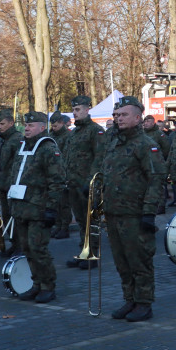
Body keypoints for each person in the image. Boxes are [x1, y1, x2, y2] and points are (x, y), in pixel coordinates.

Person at [102, 96, 167, 322]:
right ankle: (129, 299)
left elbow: (156, 178)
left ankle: (144, 303)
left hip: (135, 213)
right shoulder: (114, 142)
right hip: (114, 211)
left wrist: (149, 212)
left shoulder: (145, 144)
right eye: (117, 115)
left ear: (138, 118)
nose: (118, 118)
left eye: (124, 115)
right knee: (122, 261)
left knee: (139, 260)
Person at [7, 111, 66, 303]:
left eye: (31, 125)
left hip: (39, 209)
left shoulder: (48, 148)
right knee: (27, 249)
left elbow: (57, 181)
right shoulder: (23, 146)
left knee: (38, 248)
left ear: (42, 127)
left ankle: (48, 286)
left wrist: (51, 208)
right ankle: (36, 284)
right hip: (21, 208)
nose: (27, 128)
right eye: (26, 125)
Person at [65, 96, 107, 270]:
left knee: (91, 221)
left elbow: (100, 157)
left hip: (87, 185)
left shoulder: (95, 131)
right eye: (74, 110)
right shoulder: (74, 132)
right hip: (74, 183)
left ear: (87, 110)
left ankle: (92, 254)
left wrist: (91, 182)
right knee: (82, 221)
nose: (75, 113)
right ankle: (83, 252)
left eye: (78, 110)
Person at [0, 109, 22, 256]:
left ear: (11, 123)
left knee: (15, 216)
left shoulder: (18, 139)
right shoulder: (2, 140)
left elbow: (20, 164)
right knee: (6, 216)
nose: (0, 126)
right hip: (3, 185)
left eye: (3, 123)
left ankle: (20, 245)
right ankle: (14, 243)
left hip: (14, 186)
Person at [48, 111, 72, 239]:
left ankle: (65, 227)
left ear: (62, 123)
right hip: (53, 173)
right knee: (55, 202)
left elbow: (68, 156)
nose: (53, 127)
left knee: (64, 203)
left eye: (56, 125)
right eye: (52, 125)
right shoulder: (51, 135)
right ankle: (57, 225)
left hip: (63, 173)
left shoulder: (68, 136)